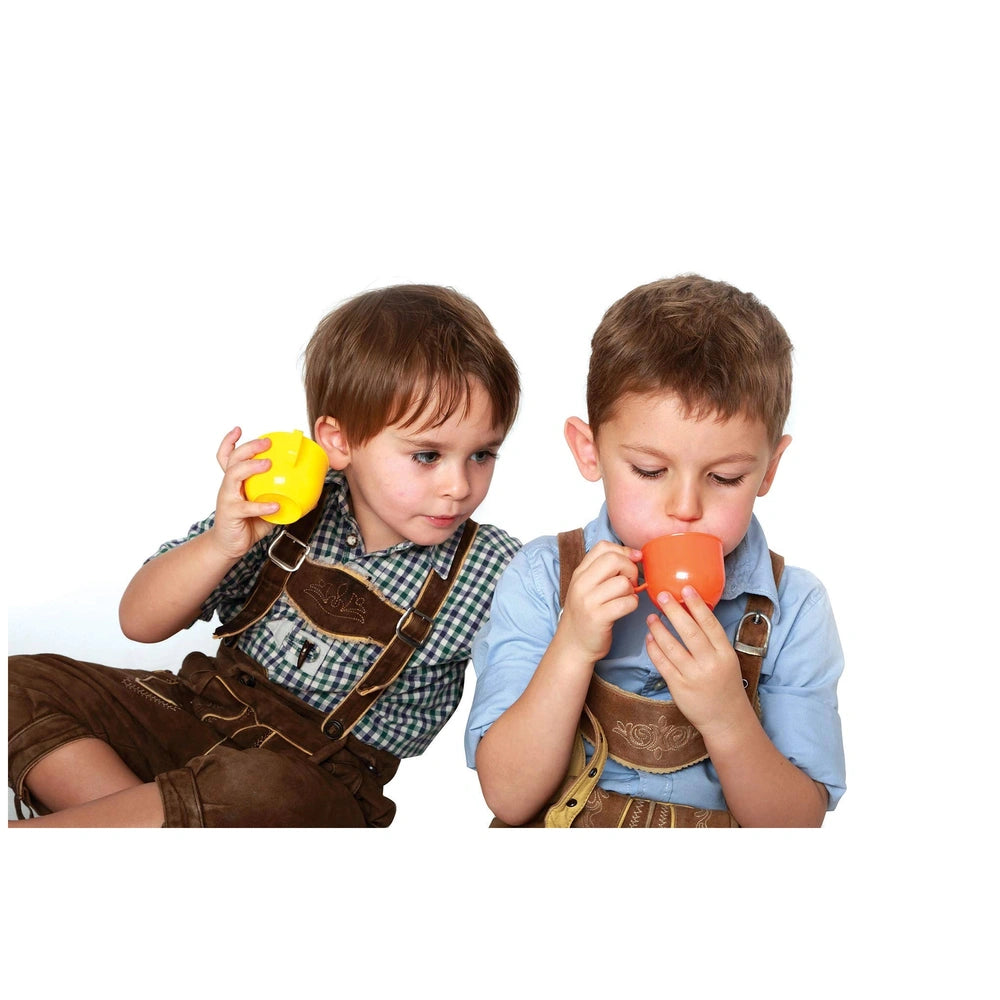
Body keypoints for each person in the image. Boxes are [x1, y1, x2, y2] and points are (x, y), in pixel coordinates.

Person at [9, 284, 521, 827]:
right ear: (337, 442)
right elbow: (138, 622)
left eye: (483, 454)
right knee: (19, 684)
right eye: (427, 455)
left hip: (314, 780)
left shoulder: (493, 568)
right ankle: (151, 828)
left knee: (263, 787)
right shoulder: (279, 506)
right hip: (194, 714)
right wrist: (222, 545)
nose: (459, 486)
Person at [465, 275, 845, 828]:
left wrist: (727, 718)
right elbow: (508, 796)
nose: (685, 507)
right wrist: (571, 646)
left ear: (769, 469)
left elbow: (795, 826)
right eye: (649, 470)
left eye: (725, 476)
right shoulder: (544, 577)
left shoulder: (795, 607)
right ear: (589, 452)